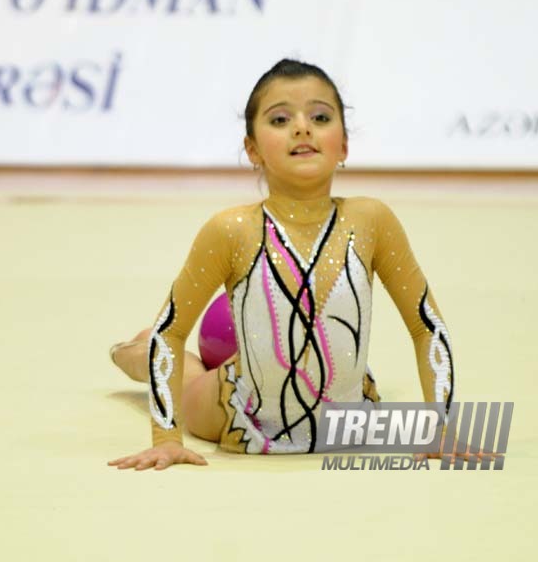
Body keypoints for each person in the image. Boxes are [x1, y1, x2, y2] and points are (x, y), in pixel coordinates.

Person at [108, 58, 481, 471]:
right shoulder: (230, 229)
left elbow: (426, 324)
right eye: (280, 119)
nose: (302, 128)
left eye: (320, 116)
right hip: (240, 411)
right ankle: (137, 353)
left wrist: (442, 426)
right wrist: (166, 438)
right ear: (251, 149)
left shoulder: (372, 220)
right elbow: (172, 331)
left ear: (344, 146)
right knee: (190, 374)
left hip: (347, 417)